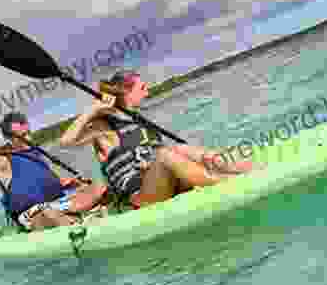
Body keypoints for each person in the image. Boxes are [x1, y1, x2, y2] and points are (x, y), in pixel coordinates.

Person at [59, 70, 258, 209]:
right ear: (126, 92)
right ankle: (229, 184)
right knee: (165, 155)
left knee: (182, 149)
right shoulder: (104, 127)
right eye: (142, 87)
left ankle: (249, 169)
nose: (148, 91)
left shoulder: (139, 120)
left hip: (164, 184)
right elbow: (66, 141)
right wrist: (93, 109)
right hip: (140, 197)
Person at [0, 111, 107, 231]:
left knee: (99, 187)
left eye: (28, 133)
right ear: (9, 138)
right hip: (35, 213)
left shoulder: (36, 154)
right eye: (22, 136)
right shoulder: (3, 160)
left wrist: (69, 183)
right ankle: (77, 225)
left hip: (58, 203)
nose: (29, 138)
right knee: (49, 213)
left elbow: (55, 182)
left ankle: (89, 216)